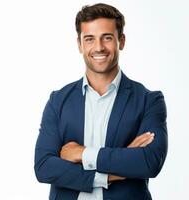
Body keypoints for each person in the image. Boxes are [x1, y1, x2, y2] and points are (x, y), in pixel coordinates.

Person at [34, 3, 168, 200]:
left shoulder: (149, 100)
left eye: (107, 38)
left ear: (121, 41)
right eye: (89, 39)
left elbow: (149, 162)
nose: (98, 47)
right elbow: (44, 167)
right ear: (79, 44)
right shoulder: (58, 100)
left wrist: (82, 153)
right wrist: (112, 173)